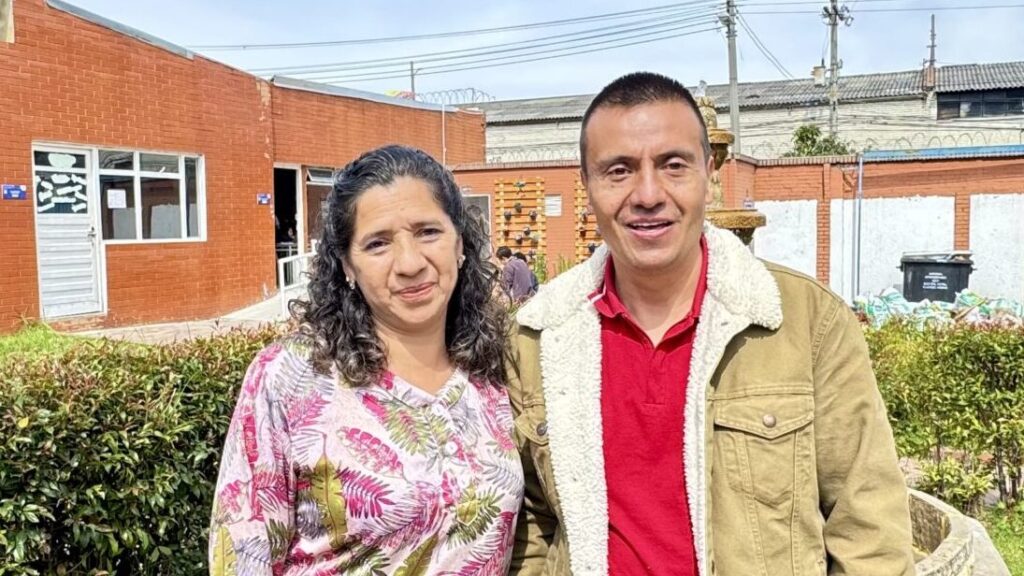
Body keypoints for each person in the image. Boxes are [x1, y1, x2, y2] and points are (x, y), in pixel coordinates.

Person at [507, 73, 914, 575]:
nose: (648, 194)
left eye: (673, 165)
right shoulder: (539, 335)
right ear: (587, 185)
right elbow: (533, 521)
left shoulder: (804, 321)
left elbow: (869, 527)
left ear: (709, 173)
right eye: (619, 171)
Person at [210, 145, 524, 575]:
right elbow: (242, 554)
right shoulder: (292, 376)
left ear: (460, 244)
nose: (410, 263)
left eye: (428, 232)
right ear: (347, 266)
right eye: (377, 244)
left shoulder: (497, 370)